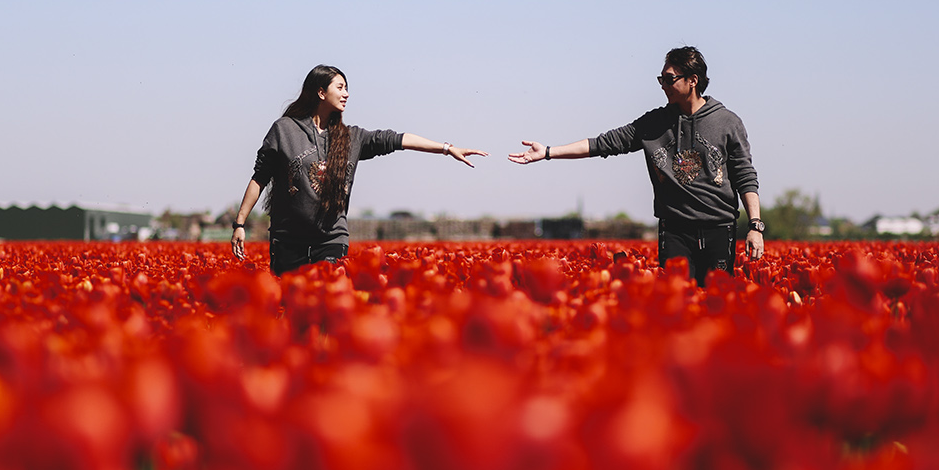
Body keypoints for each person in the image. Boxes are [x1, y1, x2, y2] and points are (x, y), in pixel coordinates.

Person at [508, 46, 762, 285]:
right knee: (677, 305)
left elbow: (744, 175)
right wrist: (549, 152)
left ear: (692, 80)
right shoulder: (653, 123)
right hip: (674, 230)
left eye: (669, 79)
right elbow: (603, 144)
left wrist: (755, 225)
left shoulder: (727, 122)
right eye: (661, 79)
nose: (663, 86)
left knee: (717, 304)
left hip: (718, 228)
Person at [232, 65, 486, 273]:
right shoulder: (284, 130)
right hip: (288, 242)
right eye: (340, 87)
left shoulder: (352, 138)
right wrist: (239, 223)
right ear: (321, 92)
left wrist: (445, 147)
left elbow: (397, 139)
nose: (346, 94)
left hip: (331, 241)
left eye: (347, 89)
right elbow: (260, 178)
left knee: (329, 313)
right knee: (292, 315)